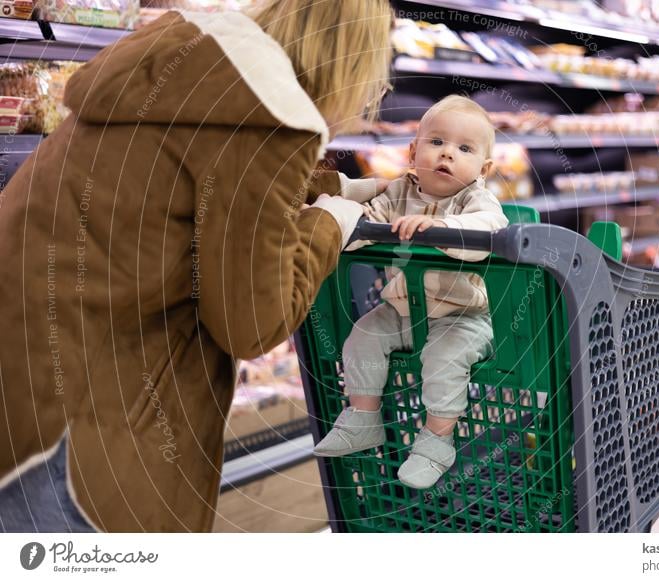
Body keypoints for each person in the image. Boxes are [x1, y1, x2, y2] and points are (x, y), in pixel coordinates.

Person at [0, 0, 393, 532]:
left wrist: (336, 189)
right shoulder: (270, 120)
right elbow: (253, 322)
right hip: (82, 439)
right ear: (350, 59)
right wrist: (330, 223)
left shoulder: (185, 67)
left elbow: (189, 191)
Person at [312, 95, 509, 489]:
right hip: (403, 309)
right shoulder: (399, 191)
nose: (447, 154)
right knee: (362, 337)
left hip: (462, 316)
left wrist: (440, 229)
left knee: (443, 358)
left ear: (483, 169)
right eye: (436, 142)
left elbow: (491, 226)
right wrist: (338, 221)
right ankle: (363, 418)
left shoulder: (475, 198)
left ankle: (437, 441)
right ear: (413, 149)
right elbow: (367, 223)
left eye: (464, 149)